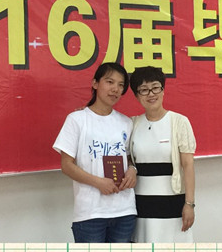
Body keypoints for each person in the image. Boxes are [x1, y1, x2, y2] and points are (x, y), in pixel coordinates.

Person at [53, 62, 137, 243]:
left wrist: (132, 170)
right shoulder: (77, 119)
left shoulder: (126, 122)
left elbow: (129, 158)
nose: (115, 89)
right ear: (95, 83)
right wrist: (98, 182)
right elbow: (66, 165)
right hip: (90, 213)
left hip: (125, 211)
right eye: (110, 82)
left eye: (121, 85)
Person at [129, 66, 196, 243]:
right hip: (141, 205)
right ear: (136, 95)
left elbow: (188, 165)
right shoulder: (132, 124)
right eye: (144, 90)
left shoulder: (179, 122)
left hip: (173, 205)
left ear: (163, 90)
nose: (151, 94)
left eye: (155, 87)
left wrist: (189, 204)